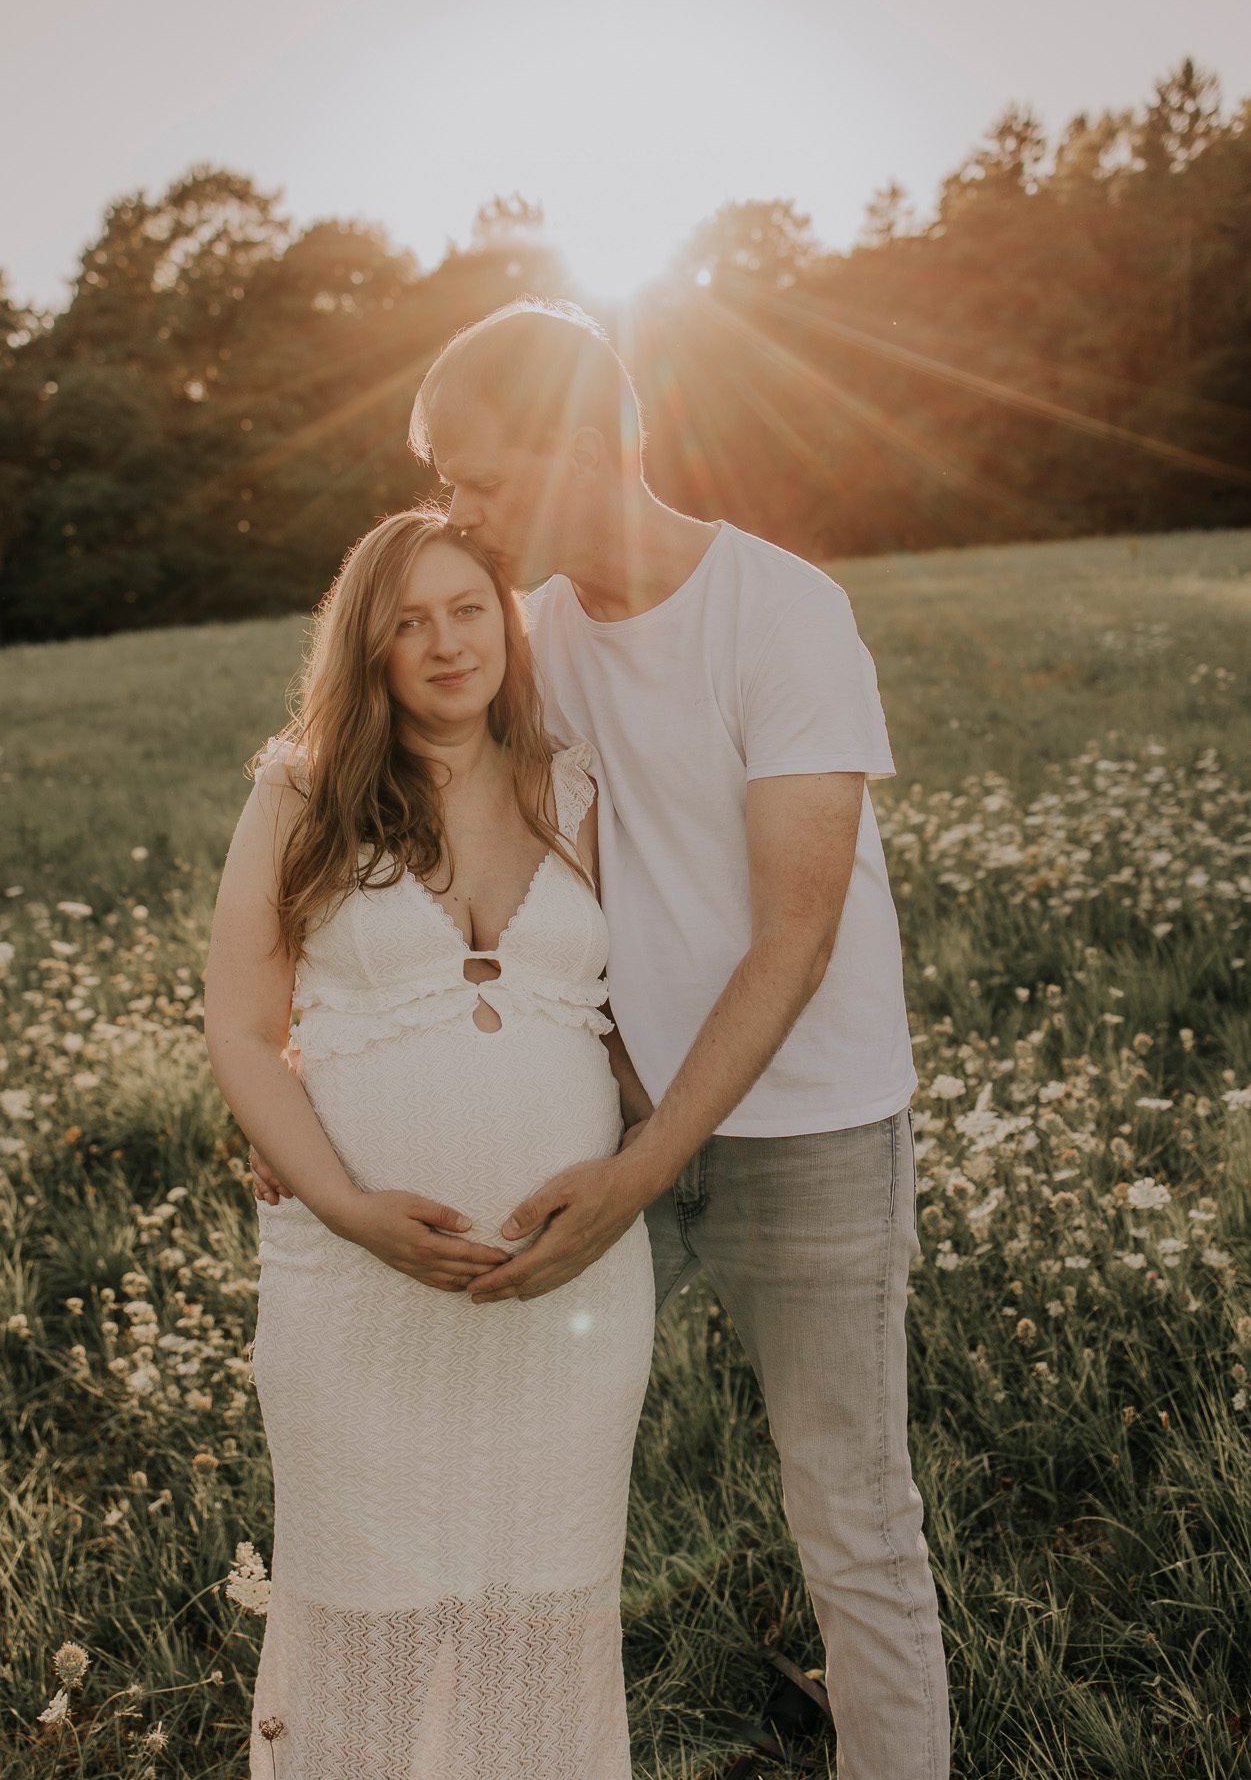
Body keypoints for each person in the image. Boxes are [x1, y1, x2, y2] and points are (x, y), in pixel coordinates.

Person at [252, 299, 952, 1779]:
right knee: (505, 1476)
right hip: (601, 1123)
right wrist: (310, 1086)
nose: (457, 512)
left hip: (806, 1128)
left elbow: (794, 938)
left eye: (478, 476)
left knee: (850, 1511)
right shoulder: (531, 640)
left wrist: (643, 1169)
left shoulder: (780, 614)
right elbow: (416, 851)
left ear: (582, 448)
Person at [205, 509, 656, 1780]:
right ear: (369, 647)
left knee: (544, 1609)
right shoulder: (300, 790)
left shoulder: (572, 784)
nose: (447, 643)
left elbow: (631, 1014)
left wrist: (636, 1158)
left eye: (468, 610)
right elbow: (241, 1026)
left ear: (505, 624)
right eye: (409, 622)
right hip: (357, 1291)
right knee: (364, 1617)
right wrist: (343, 1204)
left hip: (563, 1297)